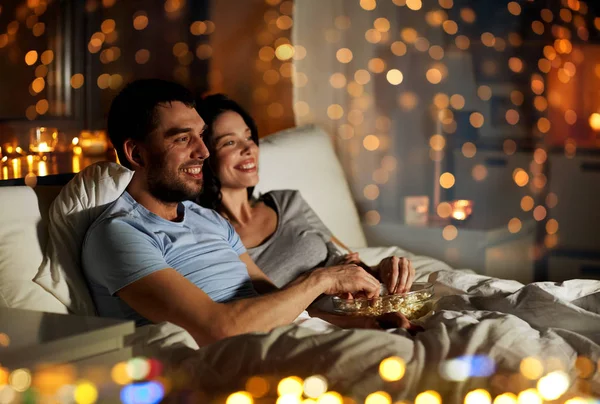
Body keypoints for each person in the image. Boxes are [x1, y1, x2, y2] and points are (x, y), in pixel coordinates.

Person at [81, 79, 401, 348]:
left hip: (282, 339)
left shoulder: (207, 219)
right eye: (182, 138)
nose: (203, 151)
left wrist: (362, 325)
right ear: (136, 153)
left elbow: (283, 306)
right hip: (224, 362)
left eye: (201, 136)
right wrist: (320, 280)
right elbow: (217, 329)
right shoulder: (120, 234)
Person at [195, 94, 416, 302]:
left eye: (249, 136)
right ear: (205, 157)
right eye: (229, 142)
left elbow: (349, 261)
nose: (249, 148)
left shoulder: (287, 201)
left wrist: (384, 269)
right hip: (313, 323)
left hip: (359, 303)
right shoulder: (212, 236)